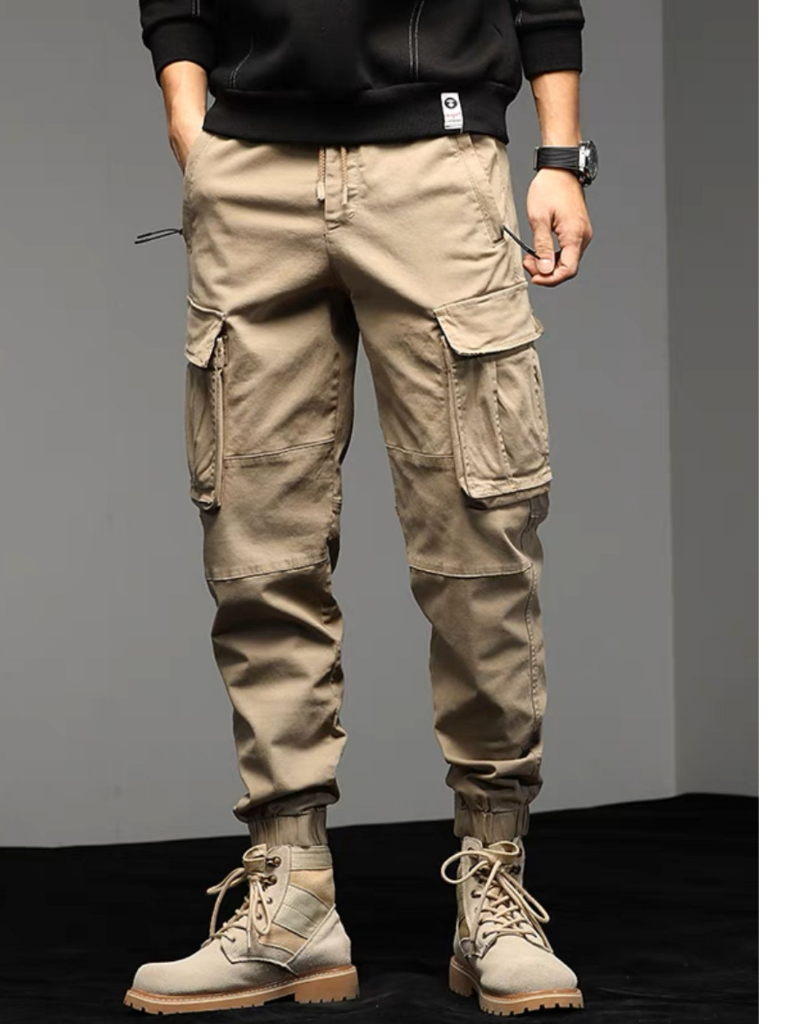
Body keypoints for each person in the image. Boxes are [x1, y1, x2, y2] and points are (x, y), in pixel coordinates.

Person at [125, 0, 595, 1015]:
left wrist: (560, 154)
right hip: (248, 169)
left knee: (480, 542)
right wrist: (186, 110)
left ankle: (495, 884)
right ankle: (290, 901)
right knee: (257, 544)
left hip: (437, 162)